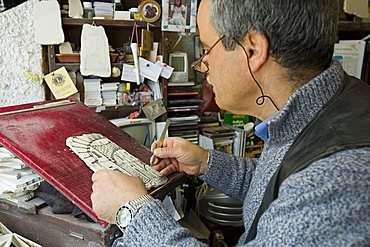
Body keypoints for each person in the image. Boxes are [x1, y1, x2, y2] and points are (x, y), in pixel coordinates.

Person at [91, 0, 370, 246]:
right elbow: (276, 187)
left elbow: (305, 190)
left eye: (206, 49)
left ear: (252, 50)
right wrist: (206, 163)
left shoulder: (336, 180)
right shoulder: (329, 103)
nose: (202, 66)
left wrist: (133, 211)